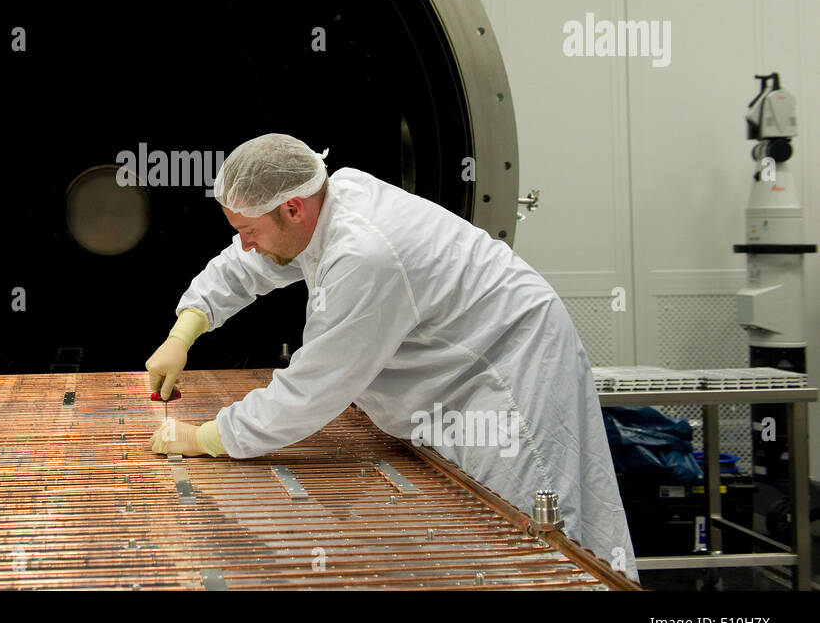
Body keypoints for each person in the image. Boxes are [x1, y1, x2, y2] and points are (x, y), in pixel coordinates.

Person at [146, 133, 638, 581]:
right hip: (463, 365)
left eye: (249, 229)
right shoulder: (325, 202)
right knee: (490, 532)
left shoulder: (364, 253)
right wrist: (185, 329)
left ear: (293, 209)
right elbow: (246, 263)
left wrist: (209, 437)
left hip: (511, 365)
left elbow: (314, 387)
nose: (245, 242)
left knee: (537, 532)